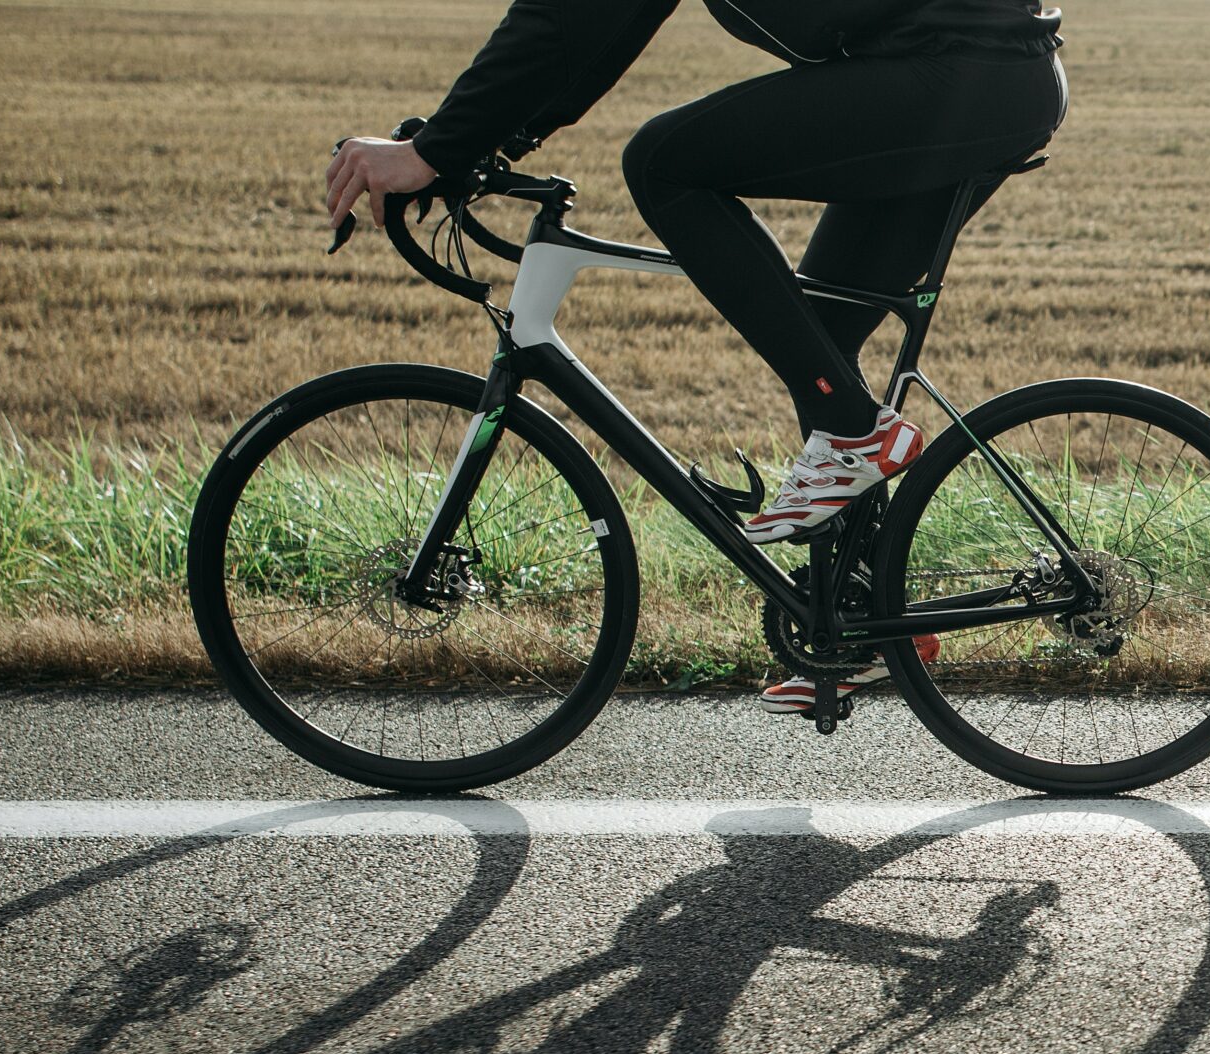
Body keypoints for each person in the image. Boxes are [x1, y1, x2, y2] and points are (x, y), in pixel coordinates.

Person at [324, 0, 1067, 712]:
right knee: (821, 337)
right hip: (974, 73)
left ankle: (853, 429)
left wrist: (434, 151)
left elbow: (566, 20)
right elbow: (600, 24)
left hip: (961, 73)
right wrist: (474, 145)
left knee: (661, 162)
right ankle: (864, 624)